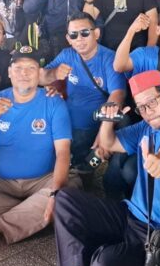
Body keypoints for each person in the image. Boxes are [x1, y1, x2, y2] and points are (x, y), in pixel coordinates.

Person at [53, 70, 160, 266]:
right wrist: (108, 120)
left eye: (152, 102)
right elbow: (109, 143)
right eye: (141, 107)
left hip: (159, 232)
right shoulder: (145, 127)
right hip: (130, 214)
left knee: (104, 265)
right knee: (64, 199)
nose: (148, 112)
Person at [0, 46, 80, 245]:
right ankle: (36, 214)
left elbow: (63, 152)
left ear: (39, 73)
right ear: (9, 72)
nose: (24, 73)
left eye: (31, 68)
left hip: (43, 179)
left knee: (67, 190)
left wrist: (55, 193)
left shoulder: (53, 102)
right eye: (18, 68)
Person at [41, 13, 126, 171]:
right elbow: (40, 77)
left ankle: (82, 168)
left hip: (90, 126)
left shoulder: (109, 58)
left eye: (85, 33)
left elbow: (118, 94)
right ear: (68, 39)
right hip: (62, 119)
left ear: (97, 33)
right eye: (74, 35)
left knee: (82, 165)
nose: (79, 39)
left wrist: (104, 131)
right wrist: (53, 74)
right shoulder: (67, 55)